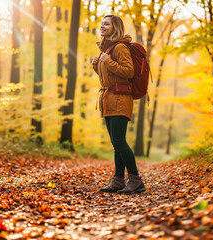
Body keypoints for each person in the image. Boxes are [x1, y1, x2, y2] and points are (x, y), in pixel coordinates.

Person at [91, 14, 146, 195]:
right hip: (109, 98)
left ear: (116, 28)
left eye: (107, 24)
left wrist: (109, 62)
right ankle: (118, 179)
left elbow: (128, 72)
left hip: (121, 98)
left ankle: (135, 179)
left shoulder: (120, 47)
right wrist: (97, 66)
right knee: (116, 143)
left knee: (119, 141)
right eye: (102, 23)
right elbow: (110, 76)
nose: (102, 26)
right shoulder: (106, 50)